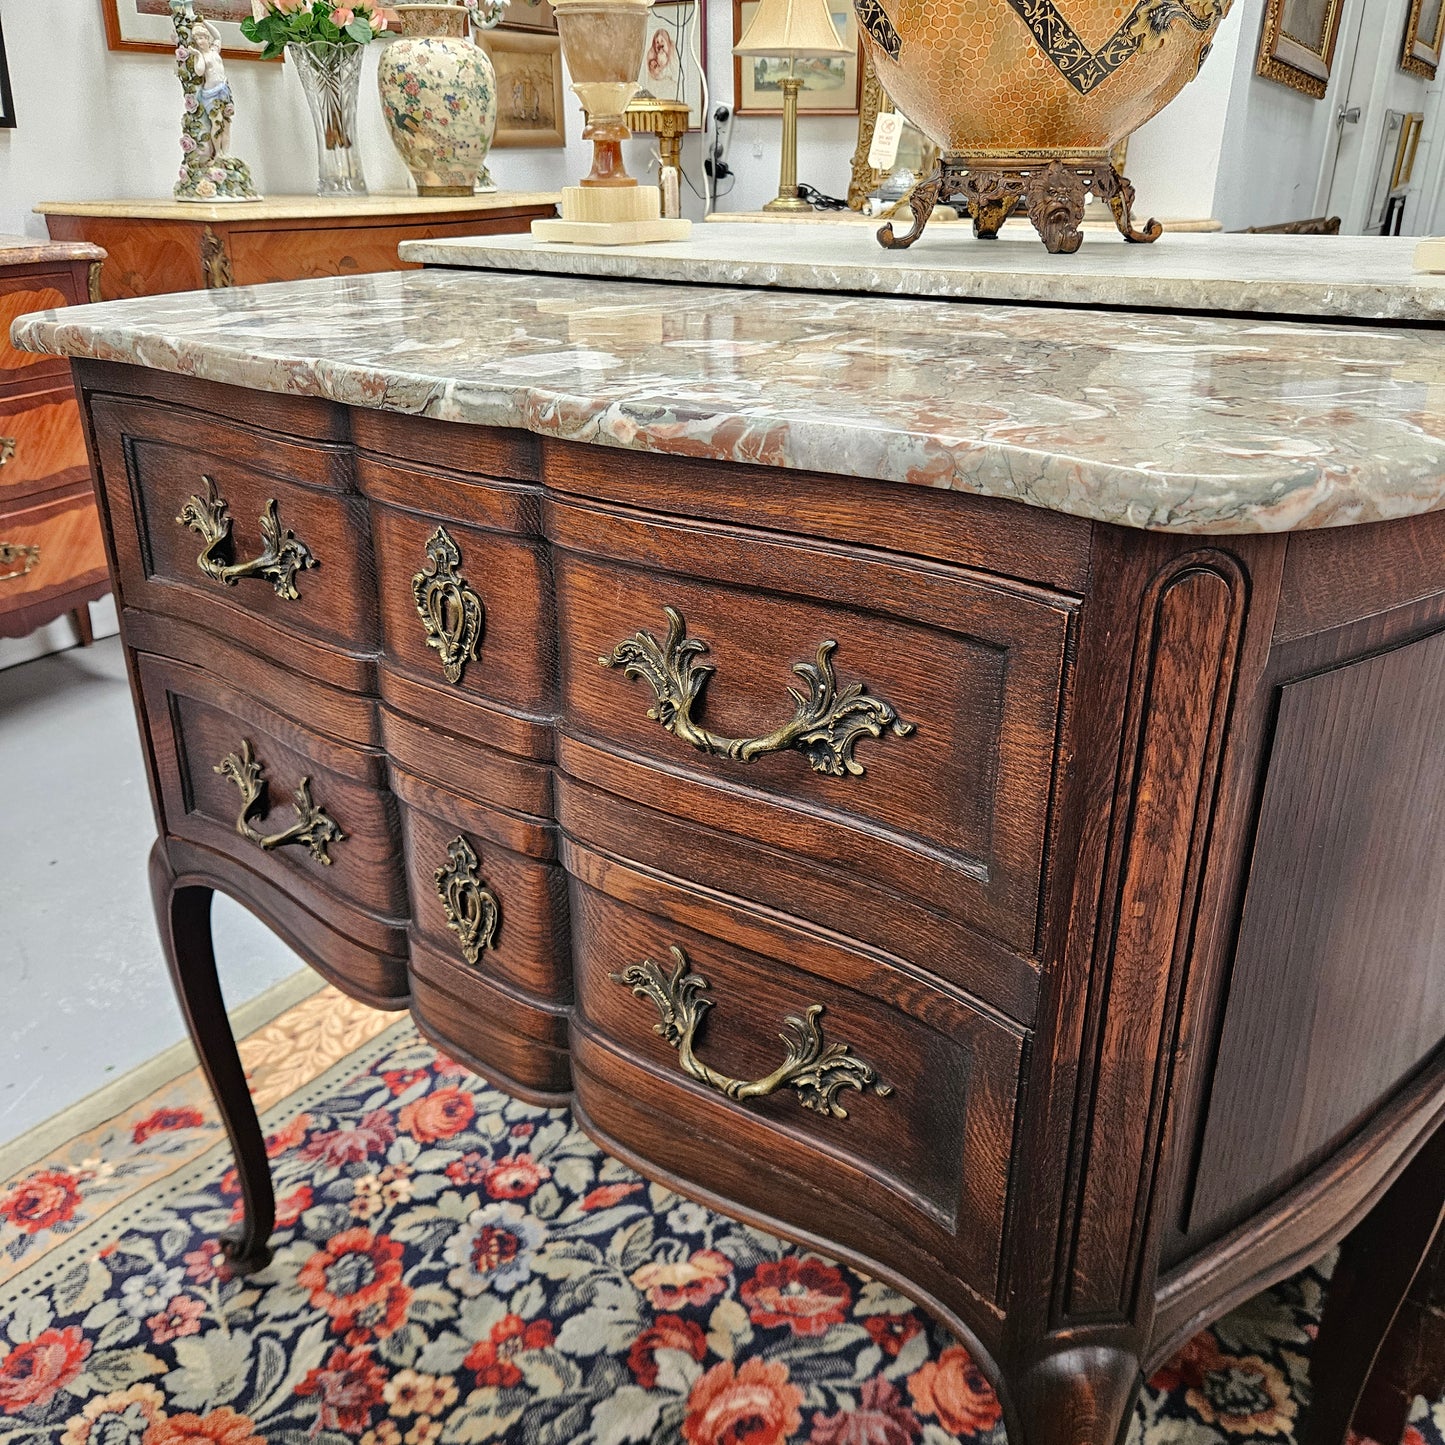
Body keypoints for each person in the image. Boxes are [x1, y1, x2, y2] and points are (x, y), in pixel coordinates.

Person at [190, 20, 234, 158]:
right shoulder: (202, 56)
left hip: (224, 90)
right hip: (211, 94)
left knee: (226, 123)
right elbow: (199, 71)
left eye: (202, 37)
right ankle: (217, 153)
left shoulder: (215, 50)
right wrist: (197, 55)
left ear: (207, 38)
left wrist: (204, 22)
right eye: (197, 39)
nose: (200, 41)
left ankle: (226, 154)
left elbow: (218, 36)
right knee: (217, 122)